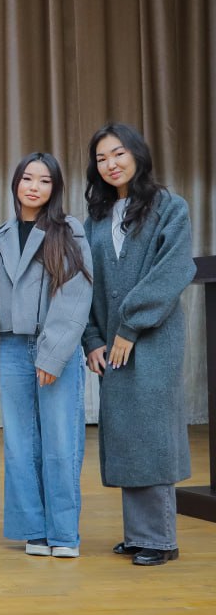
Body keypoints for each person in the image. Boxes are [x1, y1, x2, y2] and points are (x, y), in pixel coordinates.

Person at [83, 122, 195, 567]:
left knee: (152, 433)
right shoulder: (96, 216)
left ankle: (160, 539)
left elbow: (173, 271)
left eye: (119, 154)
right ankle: (139, 534)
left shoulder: (170, 208)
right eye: (101, 158)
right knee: (127, 433)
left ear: (137, 155)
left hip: (153, 340)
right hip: (112, 344)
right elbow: (86, 281)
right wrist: (93, 338)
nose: (110, 164)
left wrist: (129, 327)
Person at [0, 153, 92, 558]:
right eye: (27, 178)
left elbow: (75, 295)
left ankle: (64, 534)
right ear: (15, 183)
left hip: (53, 347)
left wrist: (52, 355)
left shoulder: (69, 230)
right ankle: (34, 530)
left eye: (44, 180)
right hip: (12, 349)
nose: (34, 187)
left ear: (55, 188)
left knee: (61, 440)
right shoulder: (1, 234)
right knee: (19, 443)